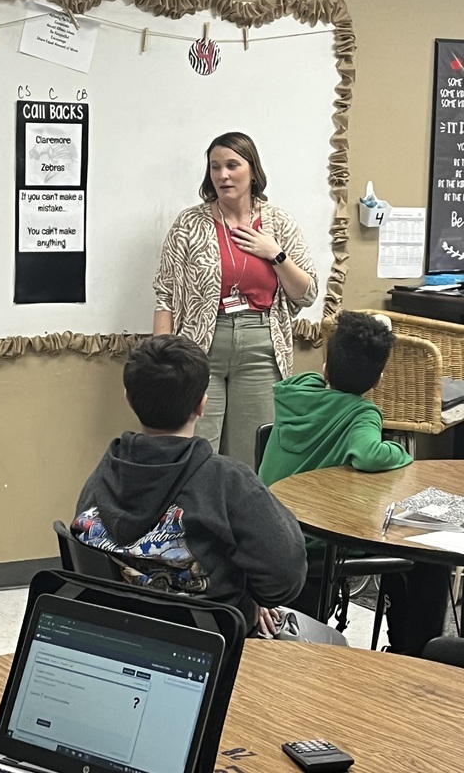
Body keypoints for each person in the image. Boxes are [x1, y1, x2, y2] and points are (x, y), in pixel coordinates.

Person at [71, 334, 307, 636]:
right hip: (209, 643)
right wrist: (255, 598)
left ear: (128, 399)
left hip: (115, 635)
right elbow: (286, 574)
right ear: (202, 404)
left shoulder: (105, 472)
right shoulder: (229, 480)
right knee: (328, 641)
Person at [260, 310, 450, 656]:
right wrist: (399, 452)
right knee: (425, 555)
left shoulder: (295, 392)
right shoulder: (362, 414)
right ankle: (413, 655)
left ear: (325, 369)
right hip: (318, 542)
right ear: (378, 380)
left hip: (272, 531)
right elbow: (368, 454)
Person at [153, 131, 318, 467]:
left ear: (253, 171)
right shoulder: (189, 224)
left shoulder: (279, 223)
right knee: (194, 454)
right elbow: (165, 295)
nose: (223, 175)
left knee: (251, 457)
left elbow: (307, 293)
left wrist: (275, 254)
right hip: (200, 349)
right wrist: (160, 361)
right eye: (215, 167)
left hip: (260, 349)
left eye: (232, 165)